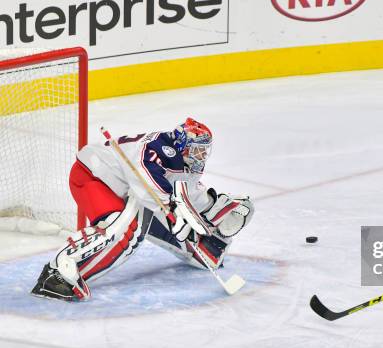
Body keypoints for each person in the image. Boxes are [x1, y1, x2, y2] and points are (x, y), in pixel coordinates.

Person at [31, 118, 254, 301]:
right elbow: (148, 189)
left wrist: (218, 208)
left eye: (204, 152)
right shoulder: (157, 148)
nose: (200, 157)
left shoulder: (184, 164)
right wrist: (175, 210)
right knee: (127, 229)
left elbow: (190, 196)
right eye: (196, 151)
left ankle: (199, 250)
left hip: (124, 191)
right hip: (92, 177)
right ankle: (57, 272)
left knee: (156, 222)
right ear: (182, 144)